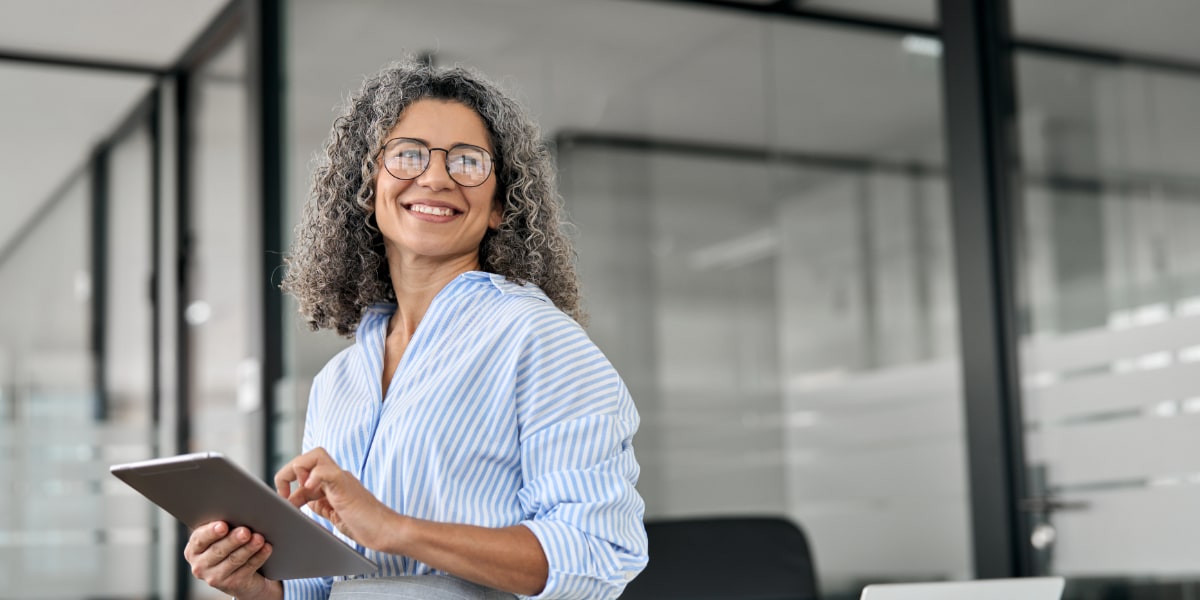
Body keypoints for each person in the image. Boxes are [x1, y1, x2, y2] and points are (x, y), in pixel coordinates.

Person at [181, 60, 648, 600]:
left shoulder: (537, 339)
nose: (436, 177)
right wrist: (259, 586)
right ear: (368, 184)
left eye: (468, 162)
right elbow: (327, 585)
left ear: (500, 205)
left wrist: (398, 529)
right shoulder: (340, 381)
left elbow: (599, 554)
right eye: (408, 155)